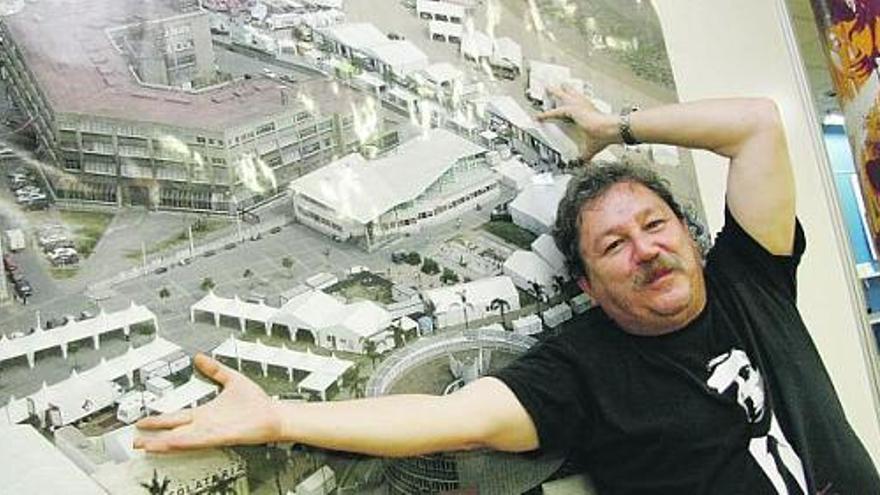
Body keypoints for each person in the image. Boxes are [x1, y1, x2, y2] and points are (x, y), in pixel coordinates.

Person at [134, 88, 880, 493]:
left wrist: (609, 128)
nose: (645, 249)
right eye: (613, 245)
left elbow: (756, 124)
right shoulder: (582, 371)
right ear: (587, 281)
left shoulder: (753, 280)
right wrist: (275, 415)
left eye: (654, 224)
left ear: (689, 233)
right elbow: (446, 416)